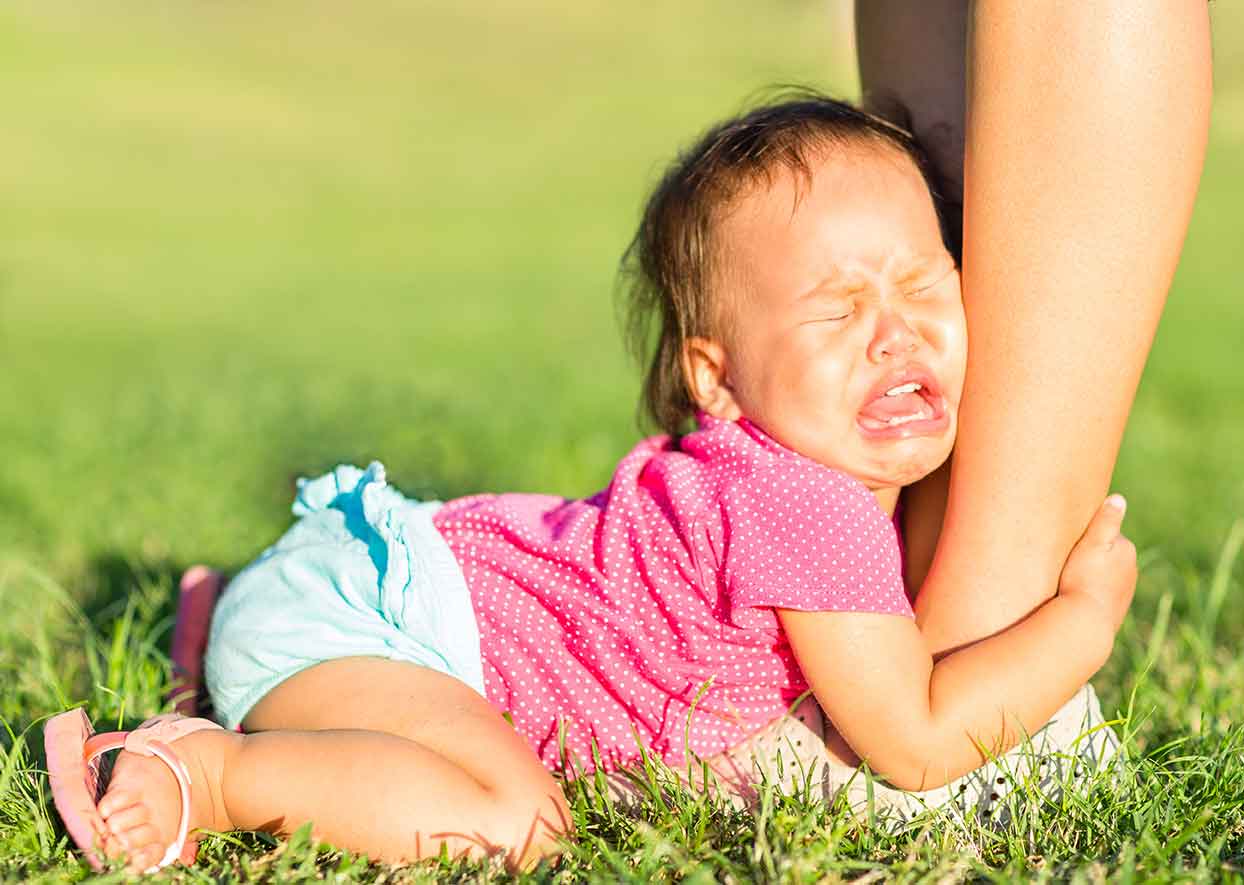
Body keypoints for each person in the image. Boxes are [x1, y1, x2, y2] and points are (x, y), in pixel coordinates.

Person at [43, 95, 1137, 875]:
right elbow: (912, 739)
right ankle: (209, 770)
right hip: (379, 627)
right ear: (716, 375)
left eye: (919, 281)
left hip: (382, 582)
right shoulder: (809, 507)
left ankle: (232, 634)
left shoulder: (785, 472)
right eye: (835, 311)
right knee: (516, 828)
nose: (894, 333)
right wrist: (1080, 623)